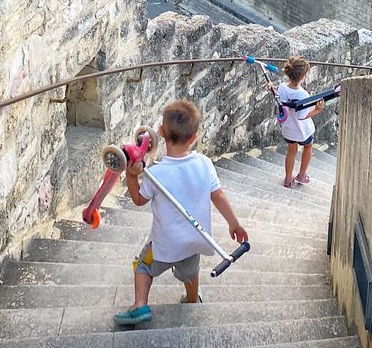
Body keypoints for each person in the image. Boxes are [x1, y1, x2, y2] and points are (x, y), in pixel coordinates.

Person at [113, 99, 249, 327]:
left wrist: (131, 175)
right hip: (195, 241)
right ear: (194, 137)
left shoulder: (157, 174)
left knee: (143, 266)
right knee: (191, 273)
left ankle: (140, 306)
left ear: (162, 133)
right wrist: (234, 223)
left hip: (163, 245)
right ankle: (192, 301)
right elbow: (218, 196)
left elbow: (138, 200)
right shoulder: (205, 164)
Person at [278, 55, 324, 188]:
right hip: (303, 131)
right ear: (304, 76)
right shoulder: (303, 95)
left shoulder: (281, 87)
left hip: (288, 130)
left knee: (291, 150)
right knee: (308, 147)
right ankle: (302, 175)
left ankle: (288, 178)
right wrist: (317, 109)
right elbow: (302, 116)